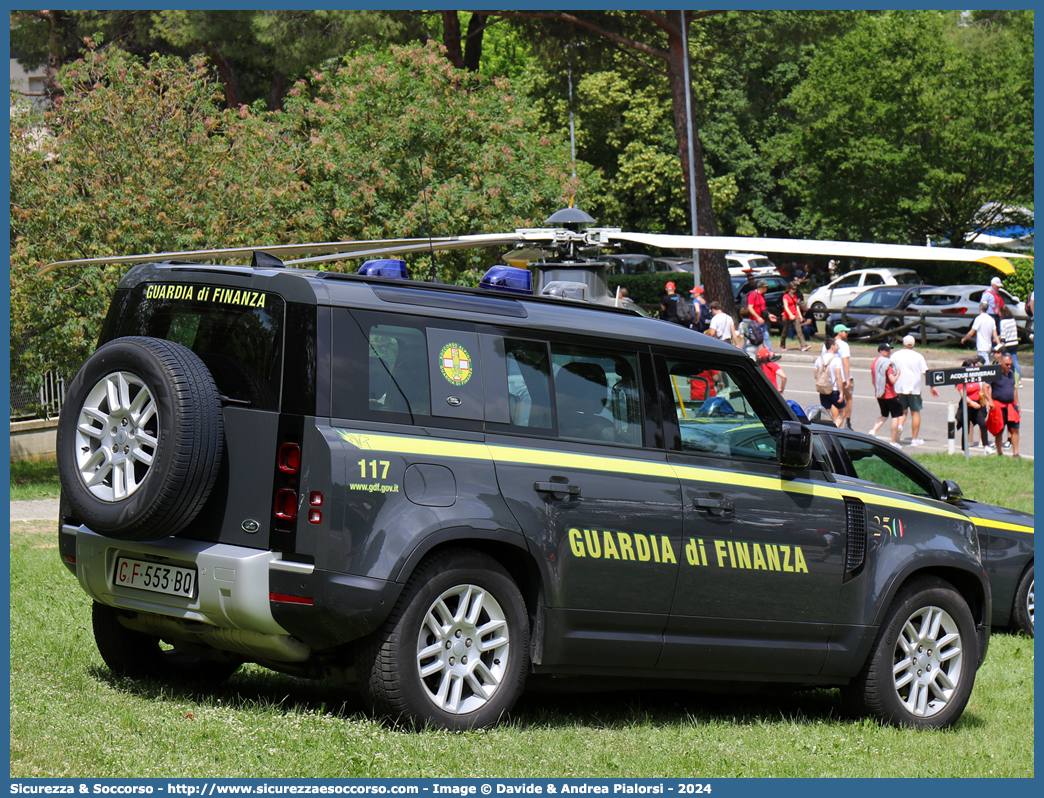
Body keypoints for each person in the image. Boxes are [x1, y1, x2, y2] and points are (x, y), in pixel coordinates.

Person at [890, 335, 939, 446]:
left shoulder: (895, 355)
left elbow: (890, 370)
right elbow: (926, 372)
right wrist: (932, 386)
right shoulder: (918, 357)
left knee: (901, 411)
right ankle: (914, 439)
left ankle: (899, 426)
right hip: (914, 389)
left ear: (903, 343)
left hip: (899, 387)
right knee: (915, 412)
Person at [955, 356, 993, 452]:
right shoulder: (961, 379)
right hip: (967, 406)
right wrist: (971, 403)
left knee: (983, 425)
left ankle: (986, 447)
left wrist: (984, 401)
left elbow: (981, 389)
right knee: (966, 428)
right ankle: (964, 448)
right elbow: (963, 395)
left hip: (977, 405)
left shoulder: (975, 378)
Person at [869, 342, 903, 448]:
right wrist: (898, 374)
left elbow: (873, 380)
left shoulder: (874, 363)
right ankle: (893, 441)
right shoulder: (887, 364)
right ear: (881, 351)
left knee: (884, 415)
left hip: (880, 394)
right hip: (890, 394)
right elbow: (892, 380)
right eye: (887, 350)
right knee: (895, 416)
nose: (889, 352)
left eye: (889, 350)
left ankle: (873, 430)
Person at [986, 353, 1020, 456]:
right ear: (1001, 362)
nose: (1009, 366)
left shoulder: (1012, 373)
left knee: (1015, 428)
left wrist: (1017, 404)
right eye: (1007, 364)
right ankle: (999, 452)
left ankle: (1016, 453)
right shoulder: (994, 373)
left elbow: (1014, 389)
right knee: (999, 429)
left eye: (1010, 364)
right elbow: (985, 388)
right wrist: (990, 400)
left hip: (1011, 405)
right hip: (998, 405)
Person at [822, 323, 853, 429]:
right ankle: (846, 422)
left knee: (832, 402)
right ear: (839, 333)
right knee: (847, 398)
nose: (847, 334)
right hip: (842, 376)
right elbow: (845, 362)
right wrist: (848, 378)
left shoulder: (825, 344)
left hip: (829, 377)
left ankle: (834, 422)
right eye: (845, 332)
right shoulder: (844, 345)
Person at [813, 336, 845, 427]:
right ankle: (835, 430)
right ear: (832, 346)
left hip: (823, 390)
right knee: (842, 412)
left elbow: (816, 375)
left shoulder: (819, 359)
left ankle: (827, 429)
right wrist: (841, 392)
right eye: (836, 345)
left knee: (826, 413)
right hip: (834, 390)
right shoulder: (836, 360)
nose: (838, 347)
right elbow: (839, 377)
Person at [779, 282, 811, 351]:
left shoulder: (795, 296)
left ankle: (803, 345)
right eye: (793, 289)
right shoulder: (785, 296)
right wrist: (790, 314)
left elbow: (796, 306)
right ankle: (782, 345)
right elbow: (786, 307)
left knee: (799, 331)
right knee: (785, 331)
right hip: (787, 316)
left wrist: (800, 315)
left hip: (795, 315)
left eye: (795, 289)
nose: (794, 290)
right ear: (789, 289)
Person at [747, 279, 777, 353]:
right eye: (766, 287)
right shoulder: (753, 295)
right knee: (754, 337)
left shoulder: (762, 295)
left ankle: (769, 352)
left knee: (766, 336)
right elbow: (750, 308)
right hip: (754, 321)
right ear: (761, 287)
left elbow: (763, 309)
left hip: (762, 321)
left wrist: (769, 315)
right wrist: (758, 317)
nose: (767, 289)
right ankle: (747, 351)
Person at [994, 305, 1021, 387]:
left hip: (1008, 344)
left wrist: (1001, 343)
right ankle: (1019, 380)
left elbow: (1003, 334)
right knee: (1014, 361)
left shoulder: (1002, 322)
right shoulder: (1013, 320)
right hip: (1015, 342)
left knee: (1006, 361)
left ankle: (1007, 378)